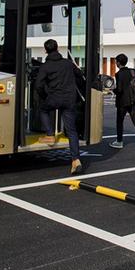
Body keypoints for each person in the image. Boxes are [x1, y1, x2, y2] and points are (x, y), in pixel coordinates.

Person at [35, 39, 84, 174]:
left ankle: (50, 134)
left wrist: (45, 95)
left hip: (54, 98)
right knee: (72, 131)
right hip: (69, 99)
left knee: (43, 110)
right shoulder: (68, 63)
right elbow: (80, 74)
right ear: (57, 48)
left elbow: (38, 84)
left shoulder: (46, 66)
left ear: (45, 50)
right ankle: (76, 160)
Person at [111, 53, 135, 152]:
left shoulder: (119, 74)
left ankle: (119, 142)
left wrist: (113, 90)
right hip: (133, 100)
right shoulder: (133, 71)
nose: (116, 63)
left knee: (119, 122)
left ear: (118, 63)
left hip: (122, 103)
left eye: (116, 61)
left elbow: (119, 89)